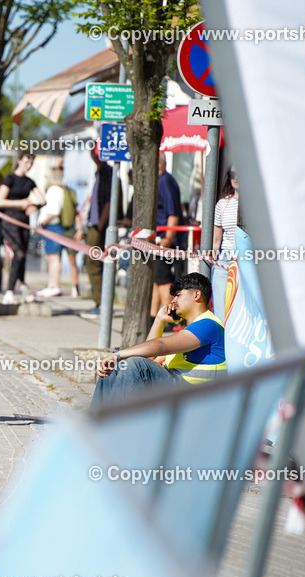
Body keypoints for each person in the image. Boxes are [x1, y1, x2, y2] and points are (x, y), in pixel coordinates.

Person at [90, 272, 226, 408]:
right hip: (180, 388)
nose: (173, 301)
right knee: (117, 368)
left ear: (196, 295)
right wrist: (159, 320)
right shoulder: (191, 329)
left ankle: (114, 420)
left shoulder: (208, 324)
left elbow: (160, 346)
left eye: (178, 295)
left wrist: (117, 355)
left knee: (134, 365)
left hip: (196, 395)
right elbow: (149, 358)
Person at [0, 152, 42, 303]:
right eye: (26, 162)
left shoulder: (29, 182)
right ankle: (9, 291)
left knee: (23, 255)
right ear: (19, 161)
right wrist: (21, 204)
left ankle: (22, 284)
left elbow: (42, 199)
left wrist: (34, 206)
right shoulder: (10, 179)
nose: (28, 166)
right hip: (9, 221)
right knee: (18, 254)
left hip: (24, 222)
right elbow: (0, 201)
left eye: (31, 163)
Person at [78, 148, 118, 317]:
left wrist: (101, 223)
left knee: (94, 263)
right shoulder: (100, 172)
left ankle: (101, 304)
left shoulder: (107, 172)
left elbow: (109, 200)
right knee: (96, 263)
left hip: (100, 225)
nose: (94, 156)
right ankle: (101, 303)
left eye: (96, 153)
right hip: (95, 224)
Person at [151, 154, 186, 328]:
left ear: (162, 163)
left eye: (157, 162)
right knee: (156, 280)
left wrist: (168, 238)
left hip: (165, 240)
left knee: (164, 281)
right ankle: (153, 317)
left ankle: (170, 318)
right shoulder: (162, 180)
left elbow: (173, 213)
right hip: (158, 239)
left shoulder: (165, 182)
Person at [36, 169, 80, 298]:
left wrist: (43, 222)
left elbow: (54, 211)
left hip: (52, 226)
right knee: (51, 257)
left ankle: (54, 286)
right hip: (53, 226)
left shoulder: (54, 190)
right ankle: (52, 285)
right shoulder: (59, 190)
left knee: (54, 257)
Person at [213, 166, 241, 260]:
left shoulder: (255, 205)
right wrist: (213, 260)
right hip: (225, 257)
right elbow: (216, 241)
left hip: (247, 257)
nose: (236, 177)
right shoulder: (222, 204)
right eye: (232, 174)